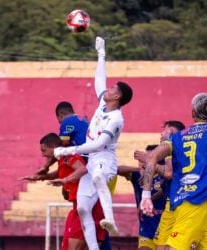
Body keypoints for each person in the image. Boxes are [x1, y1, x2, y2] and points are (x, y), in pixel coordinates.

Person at [140, 93, 207, 249]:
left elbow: (151, 158)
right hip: (195, 202)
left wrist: (146, 195)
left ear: (192, 113)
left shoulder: (176, 137)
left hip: (177, 202)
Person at [54, 36, 133, 250]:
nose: (108, 89)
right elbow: (99, 79)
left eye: (112, 88)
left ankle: (111, 220)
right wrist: (101, 54)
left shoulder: (116, 118)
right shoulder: (102, 104)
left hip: (105, 160)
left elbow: (98, 145)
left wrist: (68, 149)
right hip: (91, 162)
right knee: (82, 208)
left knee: (98, 176)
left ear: (117, 97)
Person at [20, 133, 106, 250]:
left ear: (54, 147)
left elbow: (82, 169)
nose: (43, 154)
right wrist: (39, 177)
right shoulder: (62, 159)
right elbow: (60, 172)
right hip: (78, 206)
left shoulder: (67, 155)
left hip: (87, 207)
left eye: (44, 150)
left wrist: (65, 181)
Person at [119, 144, 167, 250]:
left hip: (165, 228)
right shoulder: (138, 176)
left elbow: (164, 191)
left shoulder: (165, 175)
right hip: (146, 230)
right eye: (143, 158)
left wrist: (151, 198)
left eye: (148, 158)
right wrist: (138, 169)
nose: (144, 161)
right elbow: (117, 170)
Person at [37, 101, 89, 175]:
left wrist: (46, 166)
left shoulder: (67, 121)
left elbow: (59, 146)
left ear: (60, 116)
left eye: (59, 120)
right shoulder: (83, 119)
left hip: (86, 159)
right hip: (93, 155)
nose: (60, 123)